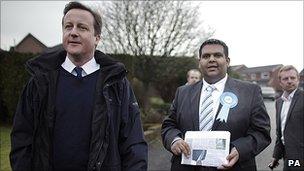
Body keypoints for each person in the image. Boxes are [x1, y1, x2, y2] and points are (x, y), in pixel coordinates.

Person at [10, 2, 147, 171]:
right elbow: (22, 138)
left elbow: (133, 143)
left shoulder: (116, 84)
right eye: (68, 26)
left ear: (97, 38)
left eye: (82, 27)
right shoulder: (40, 81)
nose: (73, 32)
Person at [161, 38, 271, 171]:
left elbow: (261, 131)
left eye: (217, 55)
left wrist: (240, 150)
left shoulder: (250, 91)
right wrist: (174, 140)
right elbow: (169, 125)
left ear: (227, 61)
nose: (211, 59)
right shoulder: (183, 92)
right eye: (206, 56)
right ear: (199, 62)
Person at [268, 65, 304, 171]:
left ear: (298, 80)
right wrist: (276, 156)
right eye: (285, 78)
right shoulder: (279, 102)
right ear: (280, 82)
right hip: (287, 156)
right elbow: (281, 132)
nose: (289, 81)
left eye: (292, 78)